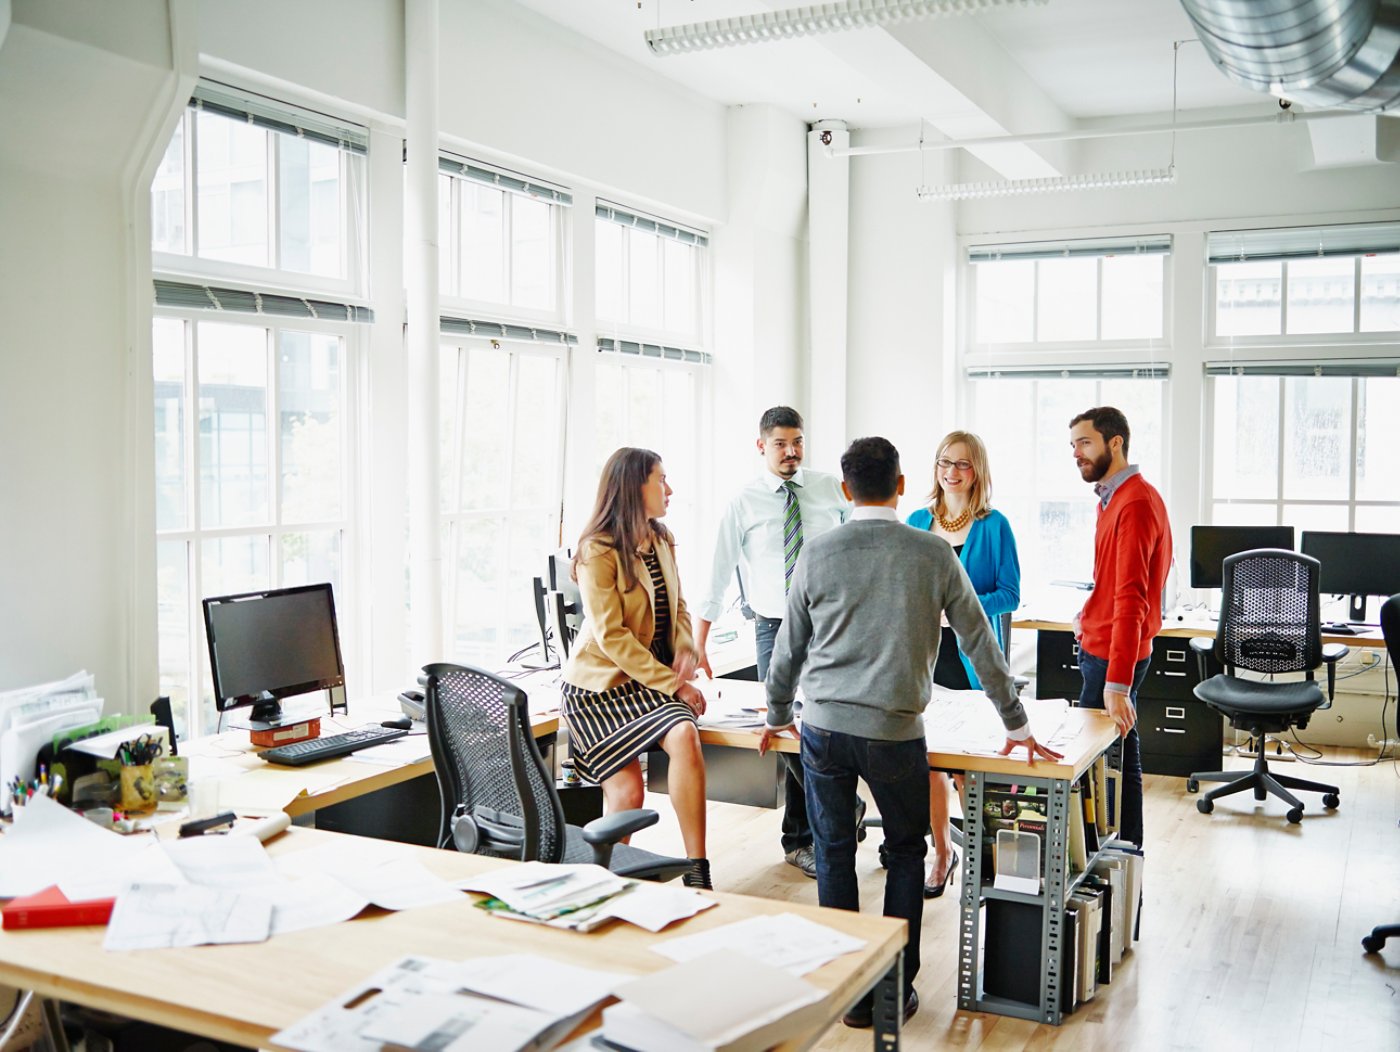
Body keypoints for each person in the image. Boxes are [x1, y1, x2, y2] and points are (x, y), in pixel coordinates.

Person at [758, 436, 1061, 1027]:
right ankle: (895, 986)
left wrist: (775, 716)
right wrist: (1016, 722)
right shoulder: (931, 552)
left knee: (835, 851)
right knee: (904, 851)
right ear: (901, 486)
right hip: (895, 731)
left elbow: (787, 651)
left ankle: (847, 989)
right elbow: (981, 638)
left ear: (846, 491)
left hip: (822, 728)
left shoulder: (817, 553)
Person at [694, 406, 851, 878]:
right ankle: (803, 837)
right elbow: (719, 571)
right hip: (773, 626)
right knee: (785, 729)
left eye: (797, 441)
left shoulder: (829, 488)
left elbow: (861, 541)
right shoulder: (743, 501)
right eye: (780, 443)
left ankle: (830, 819)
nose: (791, 452)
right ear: (761, 446)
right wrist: (700, 642)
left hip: (829, 621)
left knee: (824, 724)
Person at [560, 447, 713, 889]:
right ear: (633, 486)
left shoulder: (661, 539)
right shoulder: (598, 550)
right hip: (600, 690)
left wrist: (685, 649)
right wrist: (675, 685)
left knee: (684, 734)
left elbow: (679, 607)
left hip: (646, 681)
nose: (670, 488)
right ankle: (605, 887)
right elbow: (611, 636)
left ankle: (697, 870)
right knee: (627, 793)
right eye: (660, 479)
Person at [906, 430, 1020, 898]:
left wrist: (957, 608)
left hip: (970, 659)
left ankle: (984, 857)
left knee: (966, 765)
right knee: (929, 761)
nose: (951, 472)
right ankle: (941, 852)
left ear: (978, 472)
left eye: (963, 464)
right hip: (922, 656)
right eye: (944, 462)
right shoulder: (916, 519)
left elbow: (1010, 593)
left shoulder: (994, 526)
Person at [1069, 406, 1172, 849]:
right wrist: (1088, 611)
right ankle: (1124, 854)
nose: (1076, 453)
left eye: (1085, 442)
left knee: (1107, 763)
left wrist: (1117, 682)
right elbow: (1114, 582)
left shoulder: (1134, 503)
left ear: (1115, 443)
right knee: (1118, 755)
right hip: (1105, 645)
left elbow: (1133, 597)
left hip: (1113, 656)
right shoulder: (1114, 498)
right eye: (1072, 445)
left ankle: (1120, 853)